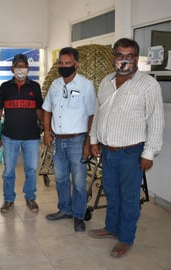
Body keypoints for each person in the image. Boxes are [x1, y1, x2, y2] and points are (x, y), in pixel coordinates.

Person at [88, 38, 164, 257]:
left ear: (136, 58)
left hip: (132, 152)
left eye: (129, 56)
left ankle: (126, 238)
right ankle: (111, 228)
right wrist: (94, 140)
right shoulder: (105, 82)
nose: (124, 60)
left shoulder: (148, 85)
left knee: (129, 198)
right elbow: (98, 112)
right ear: (113, 57)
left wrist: (149, 153)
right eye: (120, 55)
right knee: (111, 193)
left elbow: (156, 121)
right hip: (107, 151)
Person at [42, 47, 96, 232]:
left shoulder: (85, 86)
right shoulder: (55, 85)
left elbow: (92, 115)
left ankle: (79, 215)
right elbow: (47, 109)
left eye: (68, 63)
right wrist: (47, 132)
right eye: (61, 63)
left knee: (79, 182)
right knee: (61, 178)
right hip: (58, 141)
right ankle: (64, 209)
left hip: (77, 141)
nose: (64, 66)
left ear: (76, 65)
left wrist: (88, 143)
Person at [0, 53, 43, 213]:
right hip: (9, 137)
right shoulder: (5, 87)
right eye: (18, 66)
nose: (21, 69)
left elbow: (40, 111)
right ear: (12, 68)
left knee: (31, 170)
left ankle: (30, 197)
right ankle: (8, 199)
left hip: (31, 138)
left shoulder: (34, 87)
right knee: (8, 170)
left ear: (28, 68)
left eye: (24, 66)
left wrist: (47, 129)